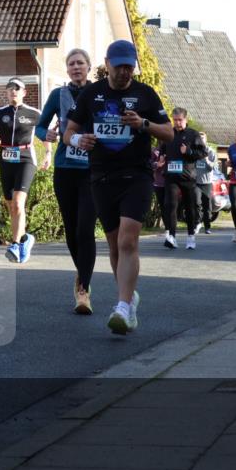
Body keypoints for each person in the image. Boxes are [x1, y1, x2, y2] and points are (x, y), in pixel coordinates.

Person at [63, 40, 173, 335]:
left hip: (136, 176)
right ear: (107, 63)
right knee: (114, 245)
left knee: (127, 241)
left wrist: (143, 123)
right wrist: (78, 141)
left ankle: (122, 306)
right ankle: (129, 297)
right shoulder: (91, 93)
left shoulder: (145, 94)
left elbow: (169, 132)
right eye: (119, 65)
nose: (125, 72)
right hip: (101, 177)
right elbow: (68, 131)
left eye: (129, 66)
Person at [36, 49, 96, 314]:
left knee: (85, 227)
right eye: (71, 64)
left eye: (80, 63)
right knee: (71, 229)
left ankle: (83, 289)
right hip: (65, 168)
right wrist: (45, 134)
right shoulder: (58, 95)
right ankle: (81, 273)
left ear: (89, 67)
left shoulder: (98, 93)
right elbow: (39, 126)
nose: (75, 67)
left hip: (92, 170)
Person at [0, 78, 45, 263]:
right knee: (12, 206)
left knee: (19, 203)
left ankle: (15, 244)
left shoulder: (34, 113)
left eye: (17, 89)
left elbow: (45, 135)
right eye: (10, 88)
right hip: (6, 159)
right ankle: (26, 239)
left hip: (26, 158)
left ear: (24, 92)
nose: (13, 92)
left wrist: (49, 154)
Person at [160, 107, 207, 250]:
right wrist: (162, 157)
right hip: (171, 176)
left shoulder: (193, 134)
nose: (177, 123)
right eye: (175, 120)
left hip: (187, 176)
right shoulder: (169, 133)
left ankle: (191, 236)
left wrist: (189, 151)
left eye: (180, 120)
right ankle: (172, 237)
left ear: (185, 119)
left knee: (189, 207)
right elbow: (162, 149)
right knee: (171, 205)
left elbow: (203, 152)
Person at [193, 132, 218, 234]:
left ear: (206, 140)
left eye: (203, 138)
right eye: (199, 138)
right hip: (196, 182)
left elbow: (213, 167)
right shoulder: (195, 151)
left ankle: (207, 226)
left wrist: (207, 159)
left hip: (207, 182)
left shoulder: (211, 152)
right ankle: (198, 223)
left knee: (207, 205)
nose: (201, 140)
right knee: (197, 202)